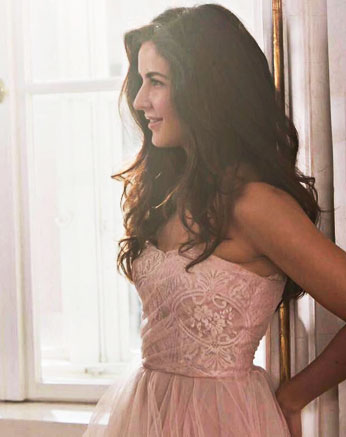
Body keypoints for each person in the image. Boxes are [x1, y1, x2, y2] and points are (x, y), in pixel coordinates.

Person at [85, 5, 346, 437]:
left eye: (156, 81)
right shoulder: (168, 192)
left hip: (224, 420)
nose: (139, 100)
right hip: (147, 410)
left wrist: (294, 395)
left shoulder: (255, 206)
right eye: (141, 81)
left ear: (204, 91)